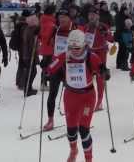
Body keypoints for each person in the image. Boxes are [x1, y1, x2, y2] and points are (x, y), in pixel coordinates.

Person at [46, 29, 109, 162]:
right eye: (71, 47)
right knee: (71, 130)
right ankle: (73, 150)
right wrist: (46, 69)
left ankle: (88, 159)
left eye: (77, 47)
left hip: (87, 97)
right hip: (70, 96)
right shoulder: (65, 55)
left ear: (84, 45)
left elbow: (101, 69)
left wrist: (104, 72)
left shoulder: (91, 57)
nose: (74, 50)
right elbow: (52, 66)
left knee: (84, 130)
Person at [43, 9, 77, 131]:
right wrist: (47, 61)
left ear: (70, 18)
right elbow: (50, 45)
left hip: (70, 67)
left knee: (71, 96)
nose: (62, 19)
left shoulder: (75, 30)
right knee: (52, 94)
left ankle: (73, 120)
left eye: (64, 17)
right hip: (57, 66)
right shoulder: (55, 30)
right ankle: (50, 120)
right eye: (60, 17)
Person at [82, 5, 113, 111]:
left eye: (93, 15)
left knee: (100, 78)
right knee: (87, 76)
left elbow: (111, 38)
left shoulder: (102, 26)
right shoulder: (85, 27)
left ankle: (99, 101)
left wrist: (105, 33)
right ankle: (88, 99)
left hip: (100, 54)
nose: (91, 17)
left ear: (97, 16)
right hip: (88, 54)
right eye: (90, 15)